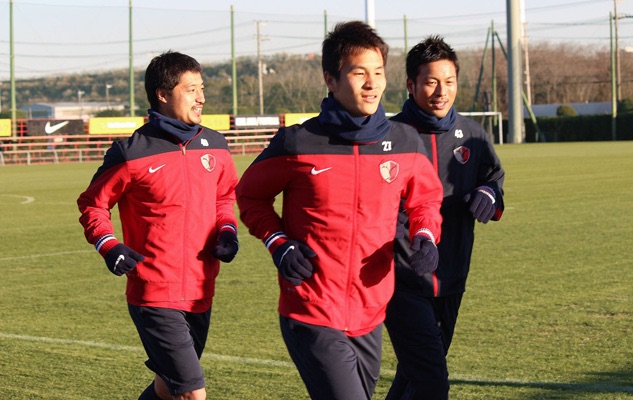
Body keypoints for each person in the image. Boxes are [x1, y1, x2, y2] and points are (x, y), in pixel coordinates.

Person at [235, 21, 443, 400]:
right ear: (330, 79)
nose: (372, 84)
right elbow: (250, 195)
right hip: (311, 308)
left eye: (378, 72)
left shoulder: (405, 142)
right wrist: (278, 242)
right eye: (359, 73)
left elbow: (425, 200)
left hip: (371, 310)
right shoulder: (298, 142)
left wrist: (426, 236)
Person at [77, 51, 239, 400]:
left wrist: (227, 229)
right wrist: (108, 244)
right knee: (192, 393)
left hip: (201, 289)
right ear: (163, 94)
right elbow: (93, 204)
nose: (201, 98)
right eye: (191, 89)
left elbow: (224, 198)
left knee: (167, 388)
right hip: (154, 293)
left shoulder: (217, 145)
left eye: (202, 88)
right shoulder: (131, 152)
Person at [385, 35, 505, 400]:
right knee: (431, 378)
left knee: (417, 373)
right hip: (404, 275)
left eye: (449, 81)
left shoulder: (473, 135)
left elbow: (493, 179)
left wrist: (489, 193)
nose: (441, 91)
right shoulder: (390, 136)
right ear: (411, 84)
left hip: (453, 271)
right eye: (431, 82)